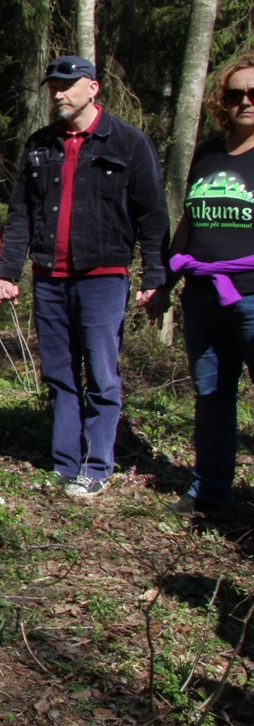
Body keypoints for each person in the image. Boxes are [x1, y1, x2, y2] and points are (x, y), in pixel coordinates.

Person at [0, 56, 168, 499]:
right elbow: (21, 215)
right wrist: (7, 272)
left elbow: (152, 215)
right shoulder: (40, 145)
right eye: (54, 86)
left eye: (68, 85)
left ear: (93, 88)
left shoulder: (127, 142)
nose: (59, 94)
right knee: (59, 372)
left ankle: (97, 464)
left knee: (101, 374)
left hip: (102, 276)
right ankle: (65, 461)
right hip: (49, 276)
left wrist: (154, 274)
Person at [159, 55, 254, 513]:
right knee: (212, 395)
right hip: (202, 298)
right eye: (236, 94)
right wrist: (164, 282)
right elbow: (188, 223)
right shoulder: (208, 152)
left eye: (253, 93)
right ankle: (210, 490)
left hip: (252, 295)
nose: (245, 101)